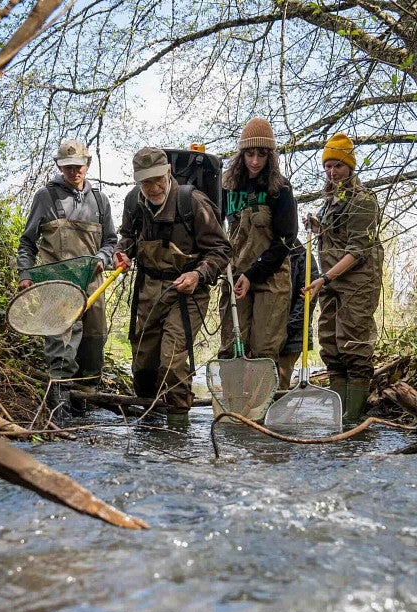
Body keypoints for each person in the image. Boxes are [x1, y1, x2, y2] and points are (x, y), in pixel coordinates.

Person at [115, 147, 231, 427]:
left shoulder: (193, 202)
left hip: (187, 292)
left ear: (168, 172)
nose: (153, 188)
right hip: (148, 290)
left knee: (172, 363)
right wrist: (122, 253)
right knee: (143, 364)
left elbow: (221, 250)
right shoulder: (133, 202)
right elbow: (128, 237)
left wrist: (198, 275)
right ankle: (148, 429)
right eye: (146, 182)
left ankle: (178, 432)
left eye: (158, 180)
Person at [16, 139, 117, 424]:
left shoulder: (100, 201)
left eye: (79, 166)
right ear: (60, 166)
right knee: (61, 351)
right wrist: (25, 274)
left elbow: (111, 241)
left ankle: (84, 418)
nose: (74, 171)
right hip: (57, 287)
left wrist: (103, 257)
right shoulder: (45, 197)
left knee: (93, 348)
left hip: (93, 286)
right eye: (68, 167)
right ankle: (59, 418)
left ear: (88, 164)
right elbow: (27, 242)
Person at [300, 132, 385, 423]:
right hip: (331, 283)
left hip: (357, 283)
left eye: (338, 165)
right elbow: (337, 236)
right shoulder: (331, 200)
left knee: (354, 346)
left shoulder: (363, 200)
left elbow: (358, 250)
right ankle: (340, 417)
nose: (332, 172)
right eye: (327, 166)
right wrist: (317, 227)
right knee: (330, 344)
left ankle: (353, 418)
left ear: (350, 166)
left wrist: (324, 279)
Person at [218, 118, 298, 365]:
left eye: (261, 155)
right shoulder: (227, 187)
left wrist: (253, 274)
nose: (254, 161)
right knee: (232, 347)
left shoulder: (281, 189)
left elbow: (286, 240)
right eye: (249, 154)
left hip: (271, 277)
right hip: (235, 275)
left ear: (269, 156)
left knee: (264, 349)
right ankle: (232, 391)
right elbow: (213, 228)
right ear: (241, 155)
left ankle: (262, 393)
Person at [276, 236, 319, 388]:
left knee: (280, 380)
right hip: (268, 331)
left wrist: (286, 330)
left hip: (292, 335)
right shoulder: (269, 254)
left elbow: (306, 303)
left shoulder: (304, 259)